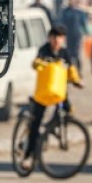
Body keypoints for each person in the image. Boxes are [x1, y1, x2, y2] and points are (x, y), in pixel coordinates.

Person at [22, 25, 84, 168]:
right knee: (35, 124)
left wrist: (78, 81)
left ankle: (53, 126)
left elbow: (71, 70)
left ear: (63, 39)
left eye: (60, 37)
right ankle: (28, 156)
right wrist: (39, 64)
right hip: (43, 93)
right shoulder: (44, 50)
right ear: (50, 38)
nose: (57, 40)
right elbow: (36, 62)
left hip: (60, 92)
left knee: (68, 110)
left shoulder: (65, 53)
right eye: (54, 37)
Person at [60, 0, 88, 73]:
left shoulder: (79, 12)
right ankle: (70, 72)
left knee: (76, 55)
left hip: (77, 37)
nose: (71, 1)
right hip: (68, 36)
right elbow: (62, 23)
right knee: (69, 55)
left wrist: (87, 33)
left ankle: (79, 72)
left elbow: (83, 24)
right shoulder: (65, 12)